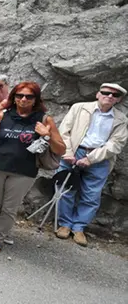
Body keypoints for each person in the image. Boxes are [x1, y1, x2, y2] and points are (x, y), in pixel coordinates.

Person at [0, 81, 66, 254]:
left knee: (9, 207)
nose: (24, 99)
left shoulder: (44, 119)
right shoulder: (3, 116)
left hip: (25, 171)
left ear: (36, 99)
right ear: (14, 97)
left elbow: (61, 149)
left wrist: (47, 135)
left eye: (29, 96)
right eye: (19, 95)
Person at [56, 83, 127, 247]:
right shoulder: (79, 108)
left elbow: (116, 144)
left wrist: (91, 158)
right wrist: (67, 152)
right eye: (106, 92)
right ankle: (65, 224)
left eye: (114, 95)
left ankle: (79, 227)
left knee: (92, 194)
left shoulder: (121, 119)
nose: (109, 96)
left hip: (100, 158)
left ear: (118, 100)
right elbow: (64, 130)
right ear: (98, 94)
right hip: (74, 151)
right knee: (65, 188)